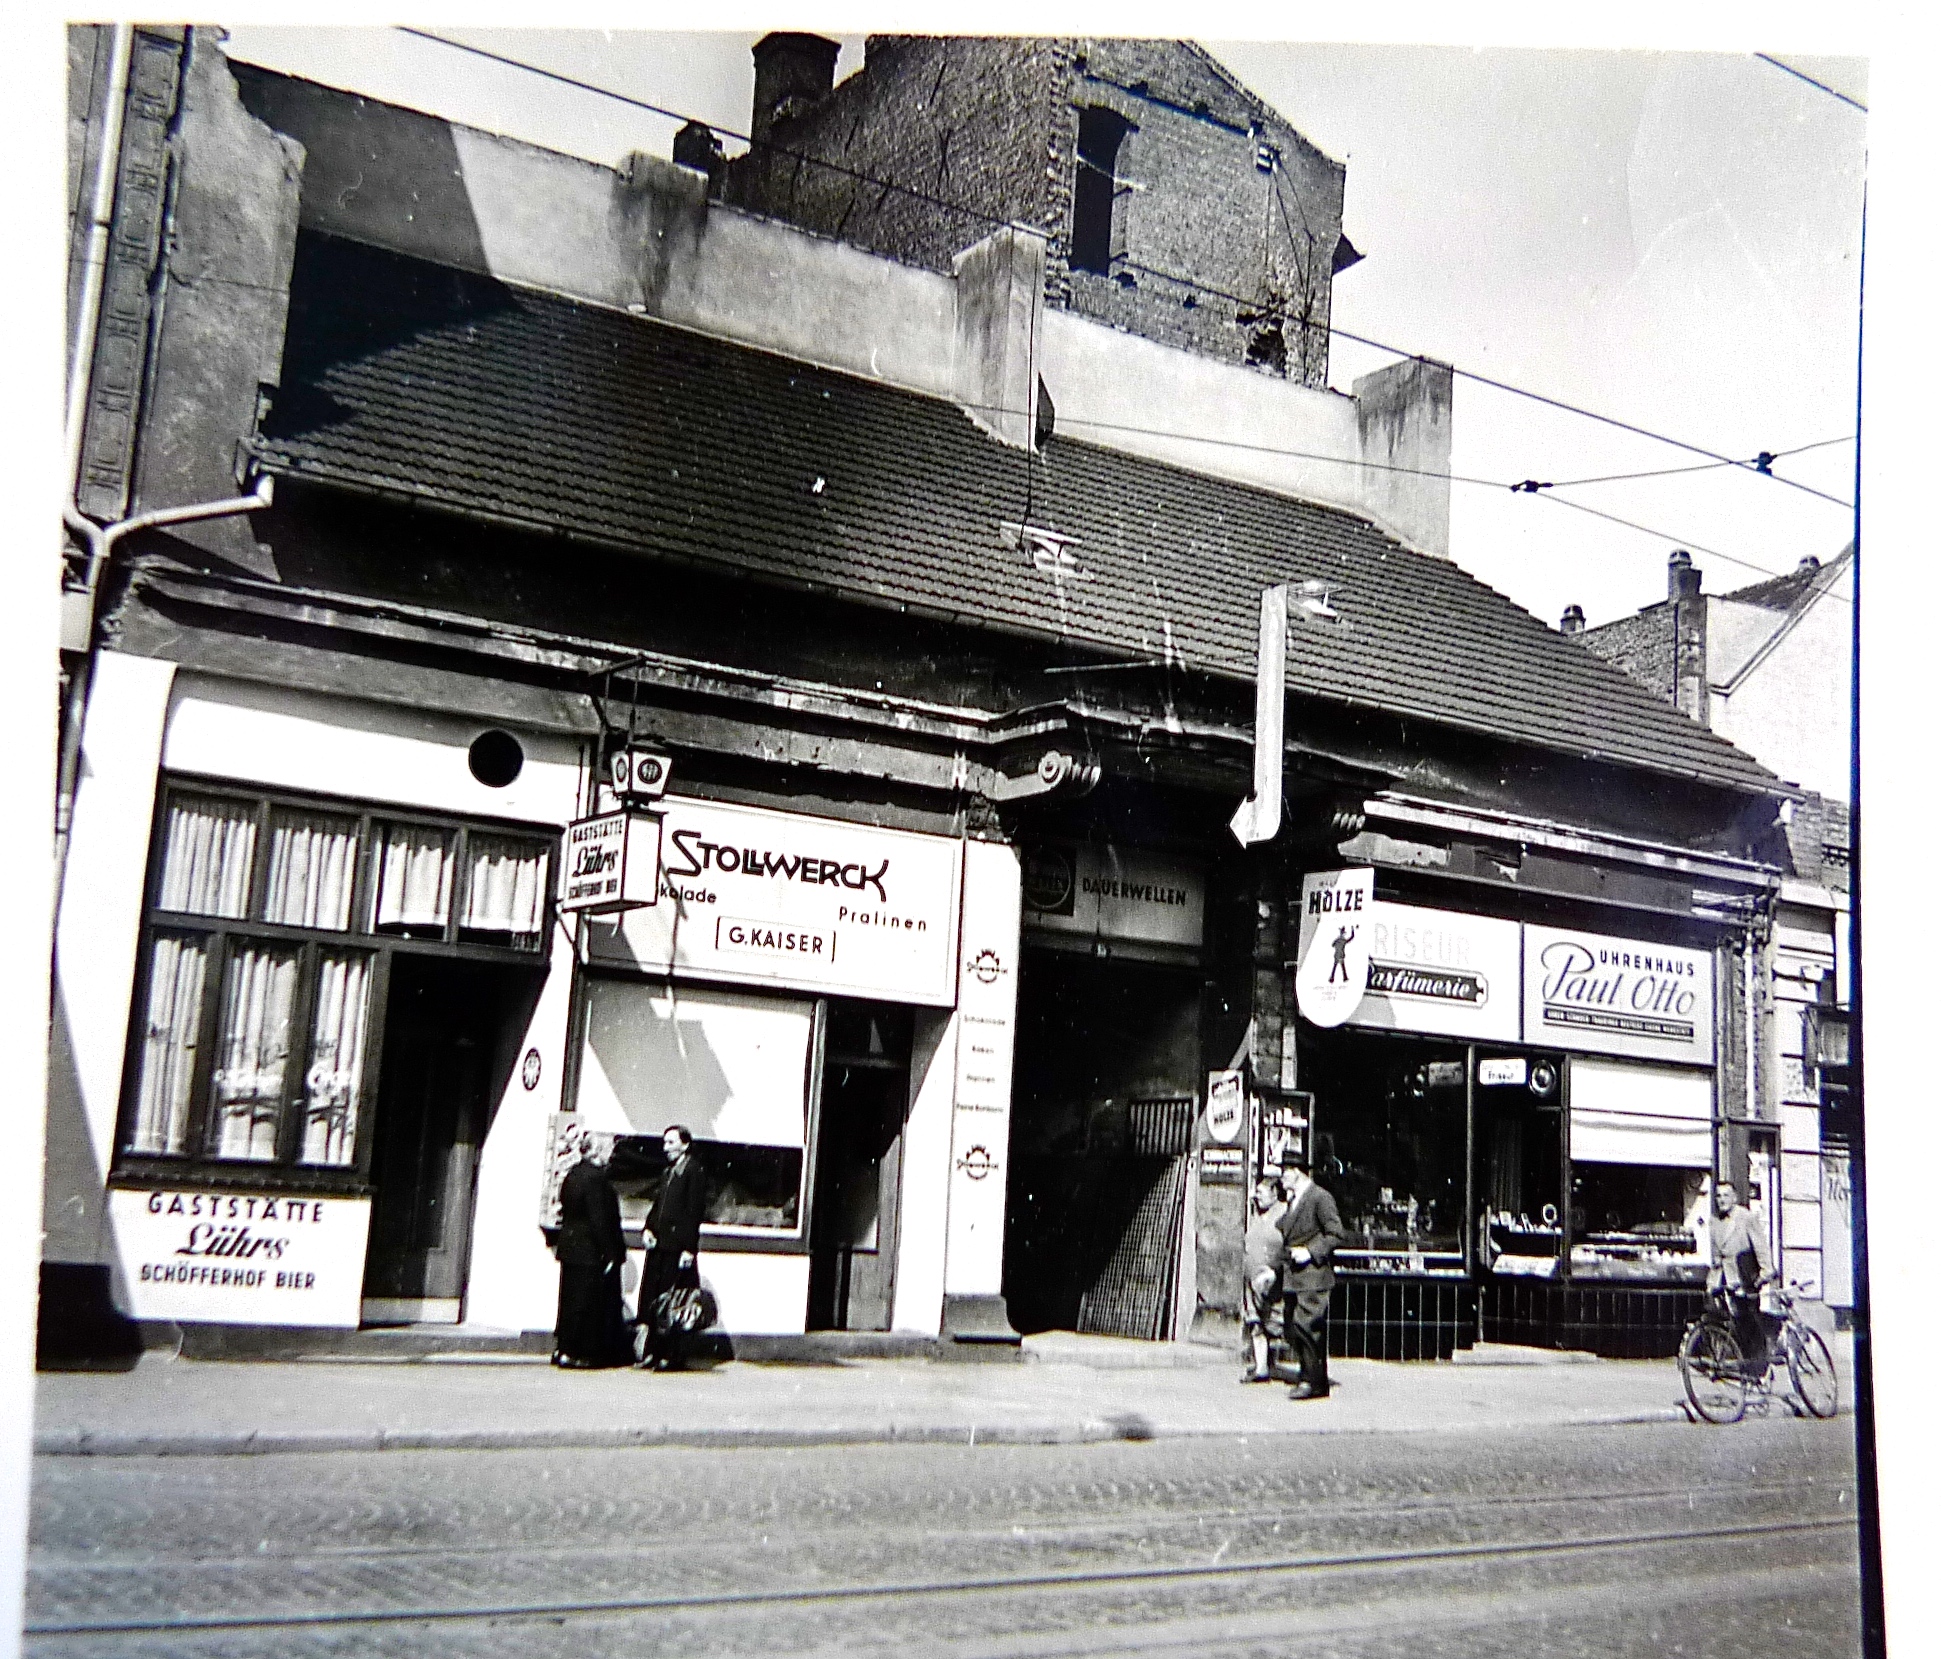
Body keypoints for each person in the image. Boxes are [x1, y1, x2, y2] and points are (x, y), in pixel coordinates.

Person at [549, 1127, 628, 1369]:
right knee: (586, 1305)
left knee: (570, 1302)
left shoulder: (573, 1173)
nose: (609, 1153)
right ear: (595, 1150)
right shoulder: (596, 1178)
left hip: (572, 1249)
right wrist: (611, 1253)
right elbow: (599, 1219)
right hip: (589, 1251)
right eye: (607, 1148)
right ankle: (580, 1353)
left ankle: (564, 1349)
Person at [1275, 1158, 1347, 1399]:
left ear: (1297, 1173)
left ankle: (1313, 1382)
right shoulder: (1293, 1200)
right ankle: (1310, 1376)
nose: (1282, 1178)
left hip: (1313, 1277)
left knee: (1307, 1326)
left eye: (1285, 1173)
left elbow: (1336, 1233)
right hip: (1295, 1277)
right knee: (1296, 1327)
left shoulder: (1319, 1197)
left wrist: (1310, 1251)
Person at [637, 1124, 707, 1371]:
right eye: (665, 1142)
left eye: (671, 1143)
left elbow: (693, 1212)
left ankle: (672, 1355)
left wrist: (689, 1249)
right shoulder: (668, 1172)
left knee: (674, 1301)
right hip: (660, 1246)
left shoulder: (692, 1171)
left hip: (678, 1249)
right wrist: (648, 1228)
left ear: (685, 1145)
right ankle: (653, 1352)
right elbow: (658, 1206)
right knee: (656, 1299)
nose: (665, 1148)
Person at [1709, 1178, 1776, 1376]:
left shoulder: (1746, 1217)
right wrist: (1712, 1281)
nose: (1721, 1200)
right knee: (1731, 1323)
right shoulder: (1714, 1222)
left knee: (1750, 1323)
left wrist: (1765, 1271)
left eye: (1726, 1195)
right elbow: (1716, 1256)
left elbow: (1760, 1246)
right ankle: (1741, 1365)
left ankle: (1759, 1371)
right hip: (1723, 1279)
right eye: (1718, 1196)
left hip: (1744, 1276)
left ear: (1735, 1198)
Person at [1241, 1173, 1288, 1383]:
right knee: (1256, 1323)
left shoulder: (1285, 1214)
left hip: (1275, 1281)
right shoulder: (1256, 1216)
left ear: (1274, 1193)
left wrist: (1276, 1270)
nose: (1255, 1196)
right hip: (1252, 1282)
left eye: (1260, 1192)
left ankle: (1306, 1369)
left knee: (1279, 1324)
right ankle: (1261, 1369)